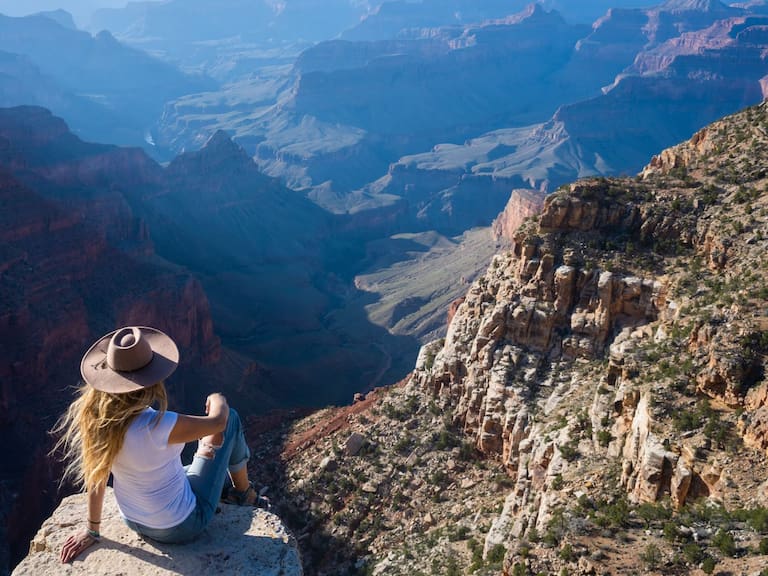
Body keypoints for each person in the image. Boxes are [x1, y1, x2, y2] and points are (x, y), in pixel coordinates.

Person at [53, 326, 262, 563]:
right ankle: (244, 494)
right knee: (232, 418)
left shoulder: (98, 423)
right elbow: (219, 422)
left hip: (132, 519)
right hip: (182, 526)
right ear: (151, 380)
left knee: (217, 475)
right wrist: (218, 399)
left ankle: (228, 487)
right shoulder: (159, 425)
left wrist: (92, 529)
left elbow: (96, 476)